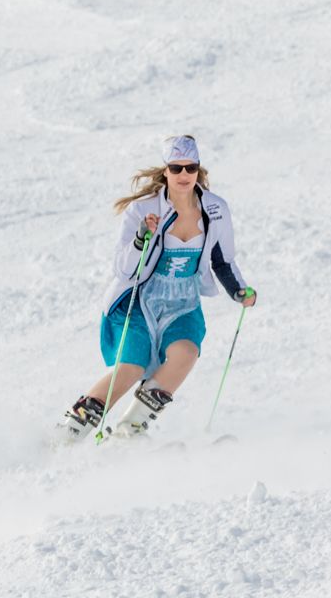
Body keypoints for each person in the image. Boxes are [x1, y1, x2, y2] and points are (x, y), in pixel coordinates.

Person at [58, 137, 257, 441]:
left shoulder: (216, 209)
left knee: (185, 352)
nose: (183, 174)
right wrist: (142, 239)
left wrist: (238, 290)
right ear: (166, 170)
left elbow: (222, 258)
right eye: (176, 168)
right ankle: (69, 434)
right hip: (139, 300)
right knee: (131, 367)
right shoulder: (143, 209)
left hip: (183, 300)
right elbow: (123, 269)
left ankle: (129, 430)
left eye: (190, 167)